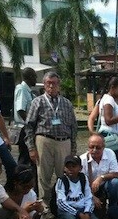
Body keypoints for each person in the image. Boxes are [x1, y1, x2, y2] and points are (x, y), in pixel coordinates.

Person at [24, 71, 78, 208]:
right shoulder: (38, 102)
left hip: (64, 141)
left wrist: (73, 147)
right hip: (44, 140)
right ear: (44, 85)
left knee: (64, 173)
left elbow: (73, 126)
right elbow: (29, 126)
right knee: (44, 175)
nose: (51, 86)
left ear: (59, 85)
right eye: (48, 83)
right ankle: (46, 204)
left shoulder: (66, 103)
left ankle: (63, 202)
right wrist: (31, 148)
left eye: (54, 83)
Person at [55, 155, 107, 219]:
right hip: (68, 210)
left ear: (80, 168)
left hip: (82, 208)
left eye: (74, 166)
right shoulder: (62, 181)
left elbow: (88, 197)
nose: (70, 169)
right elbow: (61, 203)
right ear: (64, 168)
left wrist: (87, 213)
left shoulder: (83, 178)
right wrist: (79, 214)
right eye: (68, 167)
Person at [80, 133, 118, 219]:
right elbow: (80, 184)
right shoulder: (82, 159)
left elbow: (116, 173)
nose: (94, 150)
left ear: (104, 147)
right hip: (89, 189)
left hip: (105, 185)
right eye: (92, 147)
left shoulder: (110, 153)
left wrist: (101, 178)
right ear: (88, 146)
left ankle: (113, 210)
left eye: (98, 147)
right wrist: (92, 196)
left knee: (116, 183)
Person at [13, 67, 38, 167]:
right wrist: (30, 125)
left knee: (29, 159)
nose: (36, 80)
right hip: (24, 129)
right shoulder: (22, 89)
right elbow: (21, 110)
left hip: (27, 128)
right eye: (35, 77)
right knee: (25, 158)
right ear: (30, 77)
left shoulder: (29, 91)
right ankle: (21, 180)